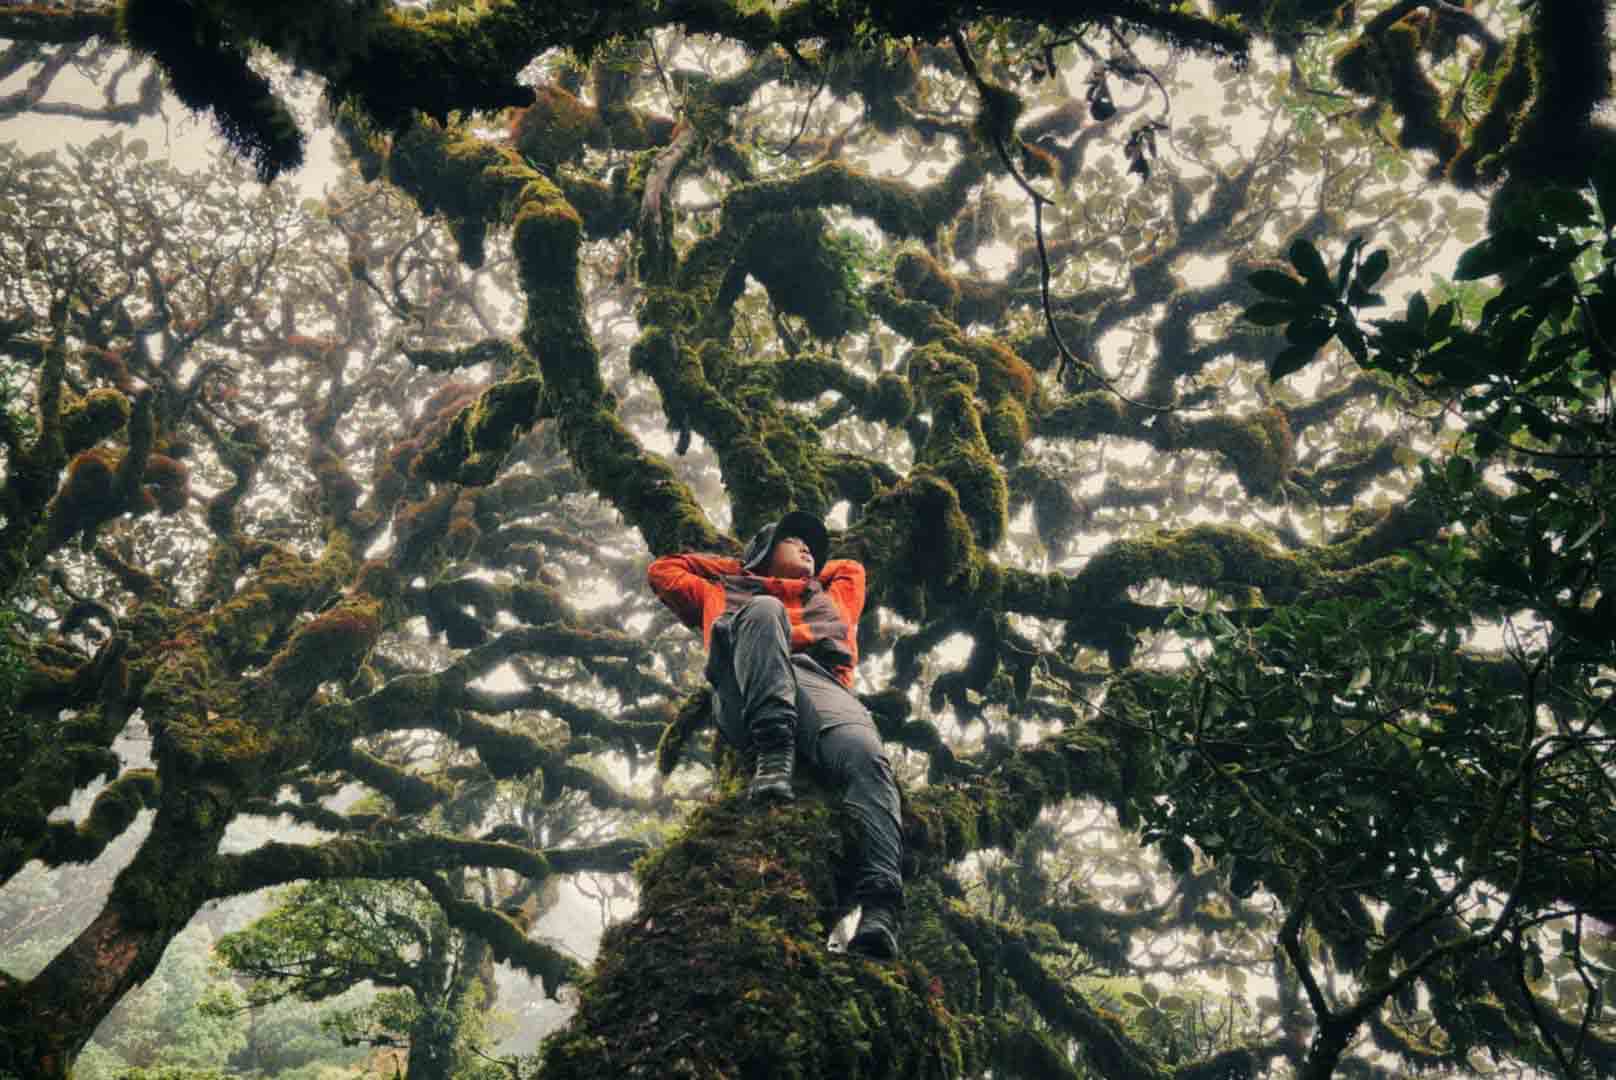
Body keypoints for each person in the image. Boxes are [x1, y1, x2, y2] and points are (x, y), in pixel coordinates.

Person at [647, 510, 905, 960]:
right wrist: (749, 571)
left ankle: (880, 909)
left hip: (818, 684)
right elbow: (663, 570)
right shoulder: (718, 591)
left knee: (868, 759)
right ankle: (775, 756)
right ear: (764, 551)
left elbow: (851, 568)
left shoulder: (832, 597)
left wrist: (797, 571)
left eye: (811, 546)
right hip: (744, 690)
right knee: (763, 609)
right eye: (793, 541)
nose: (808, 548)